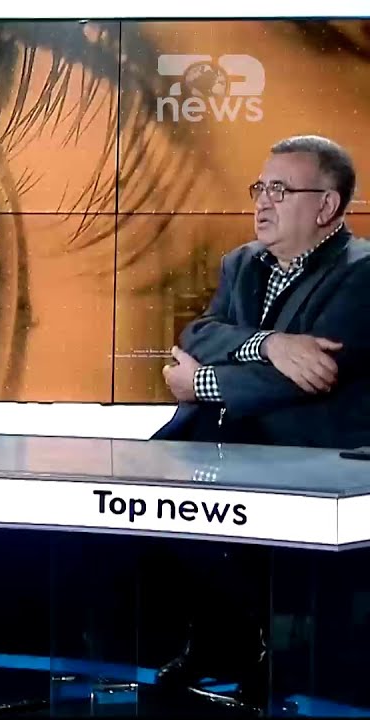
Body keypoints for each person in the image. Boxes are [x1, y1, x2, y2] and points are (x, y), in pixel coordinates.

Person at [151, 135, 367, 710]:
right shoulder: (242, 262)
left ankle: (278, 658)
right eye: (260, 187)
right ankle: (226, 642)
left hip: (314, 453)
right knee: (160, 505)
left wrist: (202, 383)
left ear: (326, 206)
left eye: (281, 189)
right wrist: (270, 343)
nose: (263, 201)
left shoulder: (362, 272)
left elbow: (312, 377)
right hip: (230, 440)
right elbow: (199, 333)